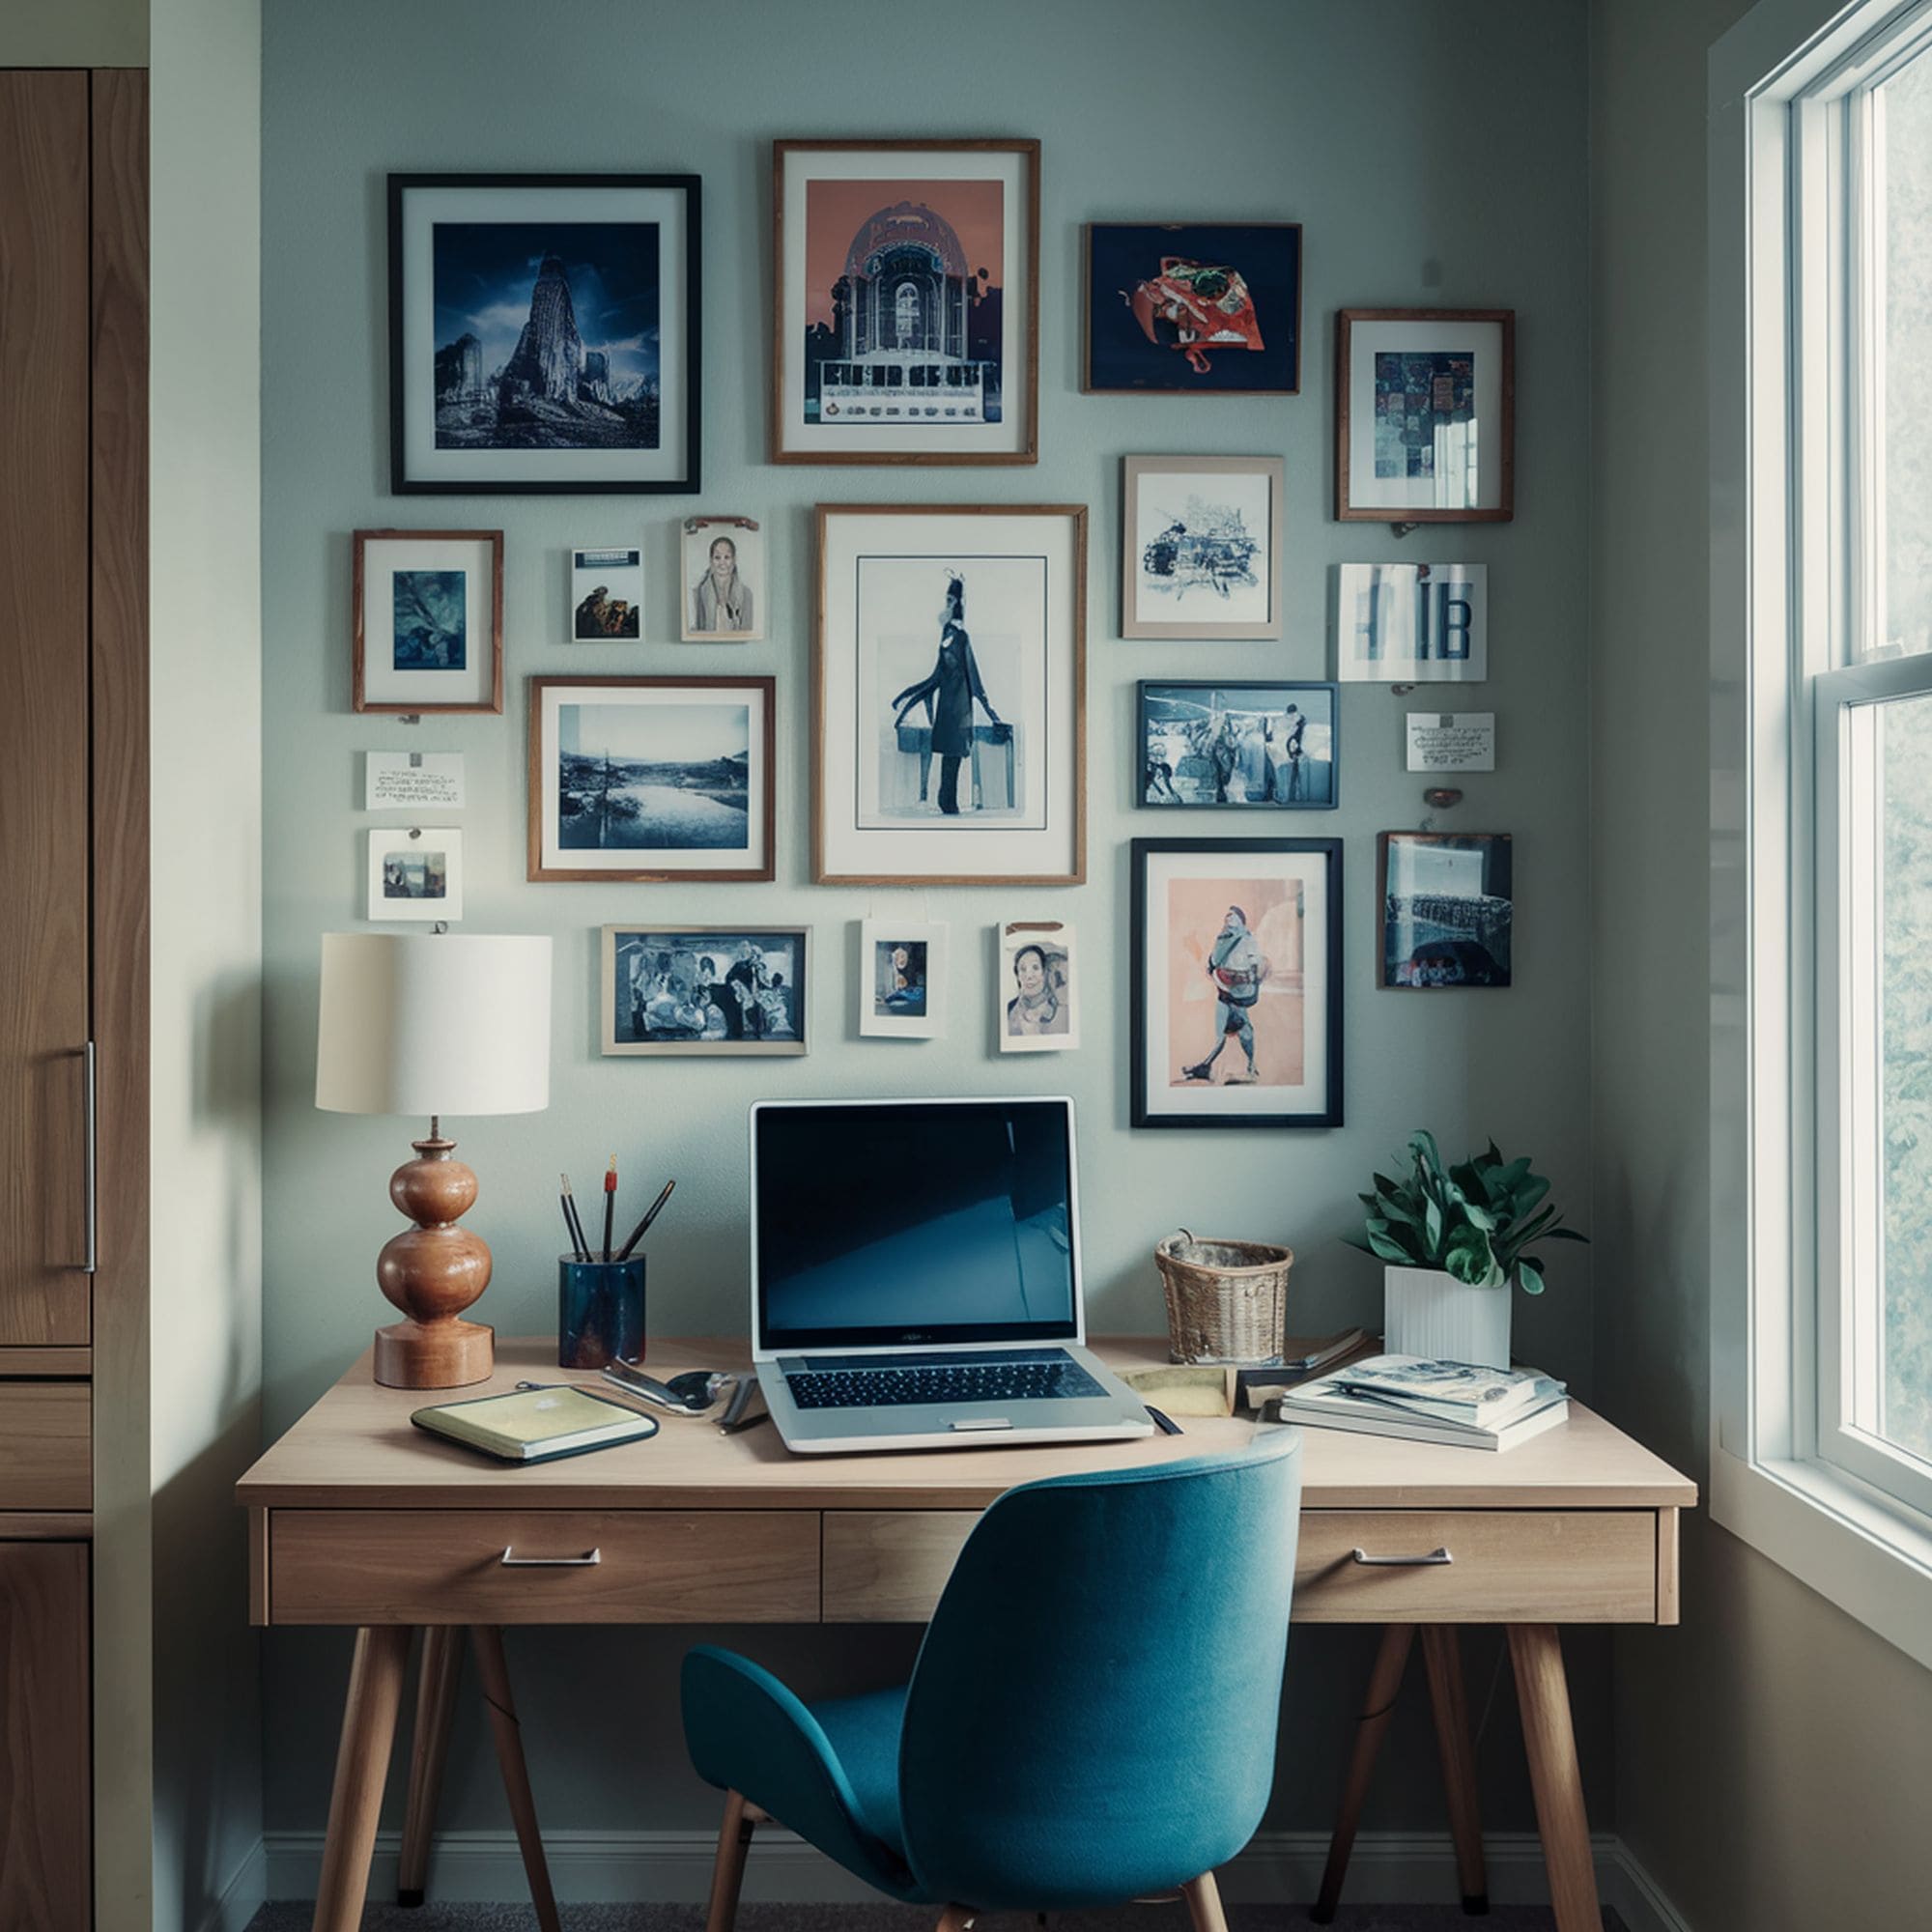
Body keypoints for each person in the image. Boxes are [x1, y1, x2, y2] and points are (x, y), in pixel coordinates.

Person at [892, 574, 1007, 815]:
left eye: (951, 600)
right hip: (947, 709)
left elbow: (974, 679)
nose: (947, 605)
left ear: (959, 604)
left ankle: (952, 805)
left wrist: (992, 714)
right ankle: (946, 804)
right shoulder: (946, 634)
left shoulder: (962, 638)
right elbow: (936, 676)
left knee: (954, 756)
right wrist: (906, 698)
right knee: (947, 756)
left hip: (960, 710)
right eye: (946, 599)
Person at [1180, 905, 1268, 1084]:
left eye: (1232, 915)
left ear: (1241, 920)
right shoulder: (1221, 938)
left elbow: (1255, 966)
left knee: (1245, 1032)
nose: (1228, 918)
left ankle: (1251, 1069)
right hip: (1223, 990)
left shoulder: (1247, 939)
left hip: (1238, 993)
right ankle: (1205, 1067)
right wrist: (1212, 969)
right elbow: (1213, 959)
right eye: (1226, 916)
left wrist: (1244, 978)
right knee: (1220, 1033)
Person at [691, 533, 754, 633]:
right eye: (717, 557)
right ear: (711, 561)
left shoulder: (746, 594)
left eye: (727, 557)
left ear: (734, 560)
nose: (722, 563)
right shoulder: (698, 594)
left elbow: (748, 633)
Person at [1007, 942, 1067, 1037]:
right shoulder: (1009, 1009)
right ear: (1017, 976)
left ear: (1043, 973)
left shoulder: (1060, 1013)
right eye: (1023, 969)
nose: (1029, 976)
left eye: (1035, 968)